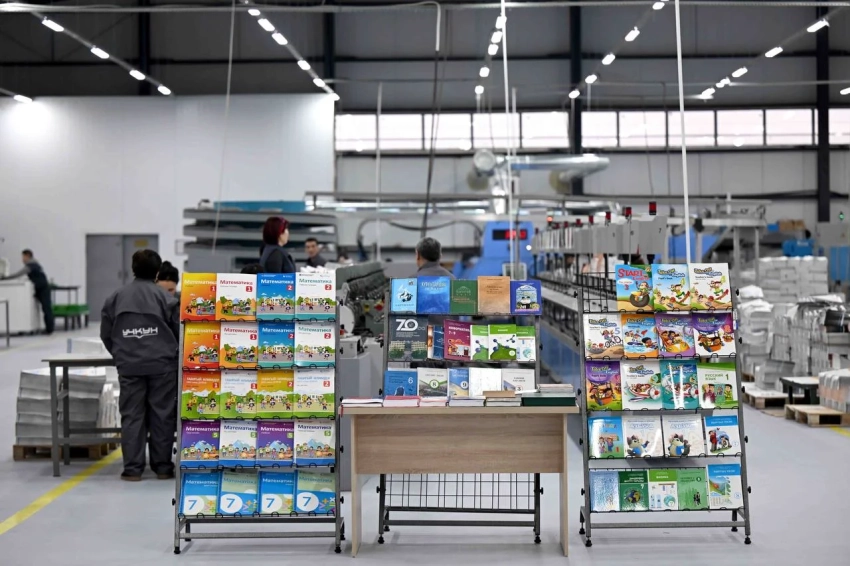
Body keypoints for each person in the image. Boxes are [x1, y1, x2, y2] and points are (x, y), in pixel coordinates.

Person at [100, 249, 180, 482]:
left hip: (129, 366)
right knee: (162, 415)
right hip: (162, 366)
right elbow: (179, 333)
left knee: (132, 416)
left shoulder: (115, 298)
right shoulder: (166, 299)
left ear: (133, 269)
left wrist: (121, 355)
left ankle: (133, 469)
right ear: (157, 272)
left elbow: (106, 334)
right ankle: (163, 467)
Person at [1, 249, 54, 334]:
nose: (22, 259)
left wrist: (4, 278)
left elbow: (18, 274)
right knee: (47, 308)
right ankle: (49, 328)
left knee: (46, 308)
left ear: (27, 256)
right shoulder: (36, 264)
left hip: (42, 289)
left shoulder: (30, 265)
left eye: (23, 257)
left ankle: (49, 329)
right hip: (43, 288)